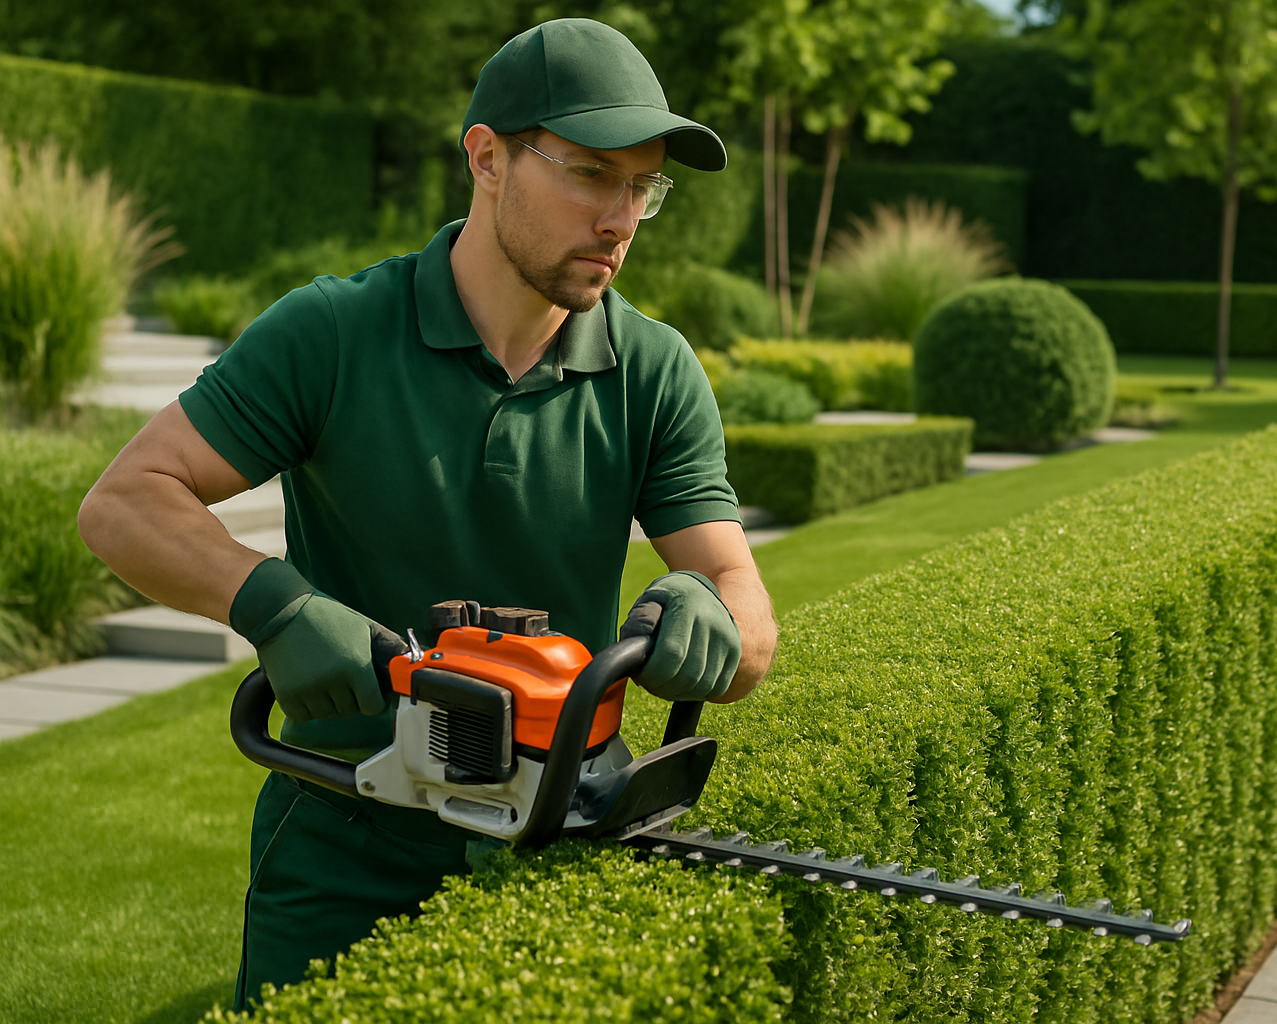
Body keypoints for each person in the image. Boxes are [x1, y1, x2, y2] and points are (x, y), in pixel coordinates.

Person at [77, 17, 777, 1010]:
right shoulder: (334, 334)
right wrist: (273, 604)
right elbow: (125, 503)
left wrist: (714, 616)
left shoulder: (652, 370)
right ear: (487, 157)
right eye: (589, 173)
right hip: (342, 835)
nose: (620, 216)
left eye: (642, 185)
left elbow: (743, 600)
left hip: (552, 833)